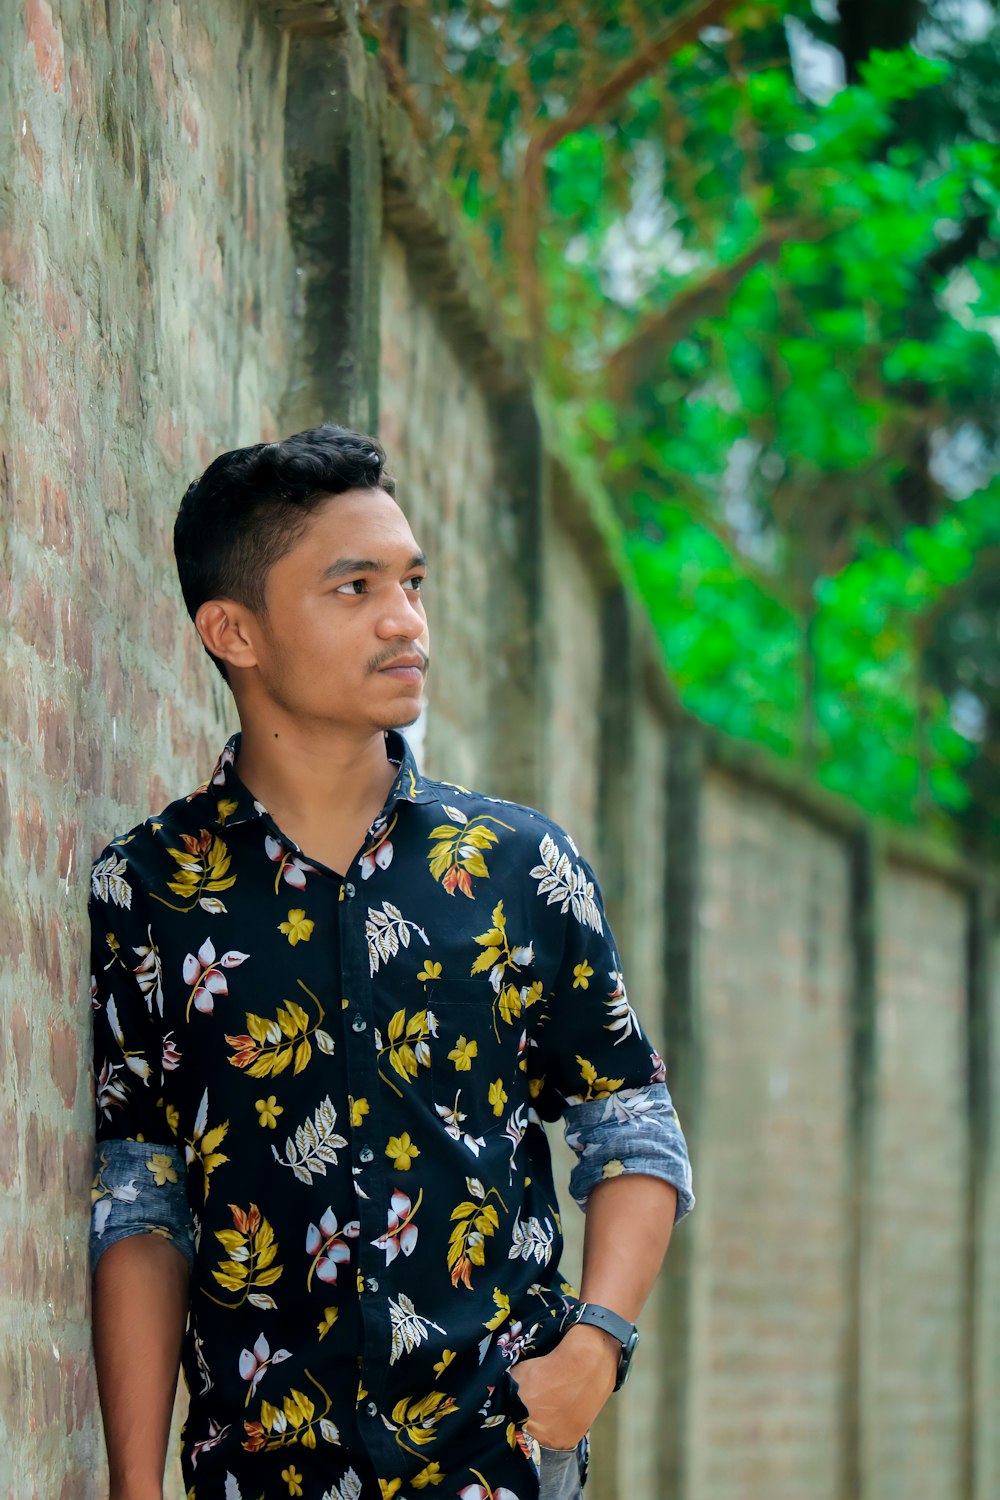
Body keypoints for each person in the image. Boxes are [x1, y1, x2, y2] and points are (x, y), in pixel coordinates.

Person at [88, 425, 695, 1500]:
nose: (404, 620)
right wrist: (134, 1486)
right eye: (354, 586)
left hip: (491, 1459)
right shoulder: (148, 889)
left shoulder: (516, 866)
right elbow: (144, 1200)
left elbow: (629, 1122)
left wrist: (594, 1347)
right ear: (235, 630)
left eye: (411, 582)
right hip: (257, 1470)